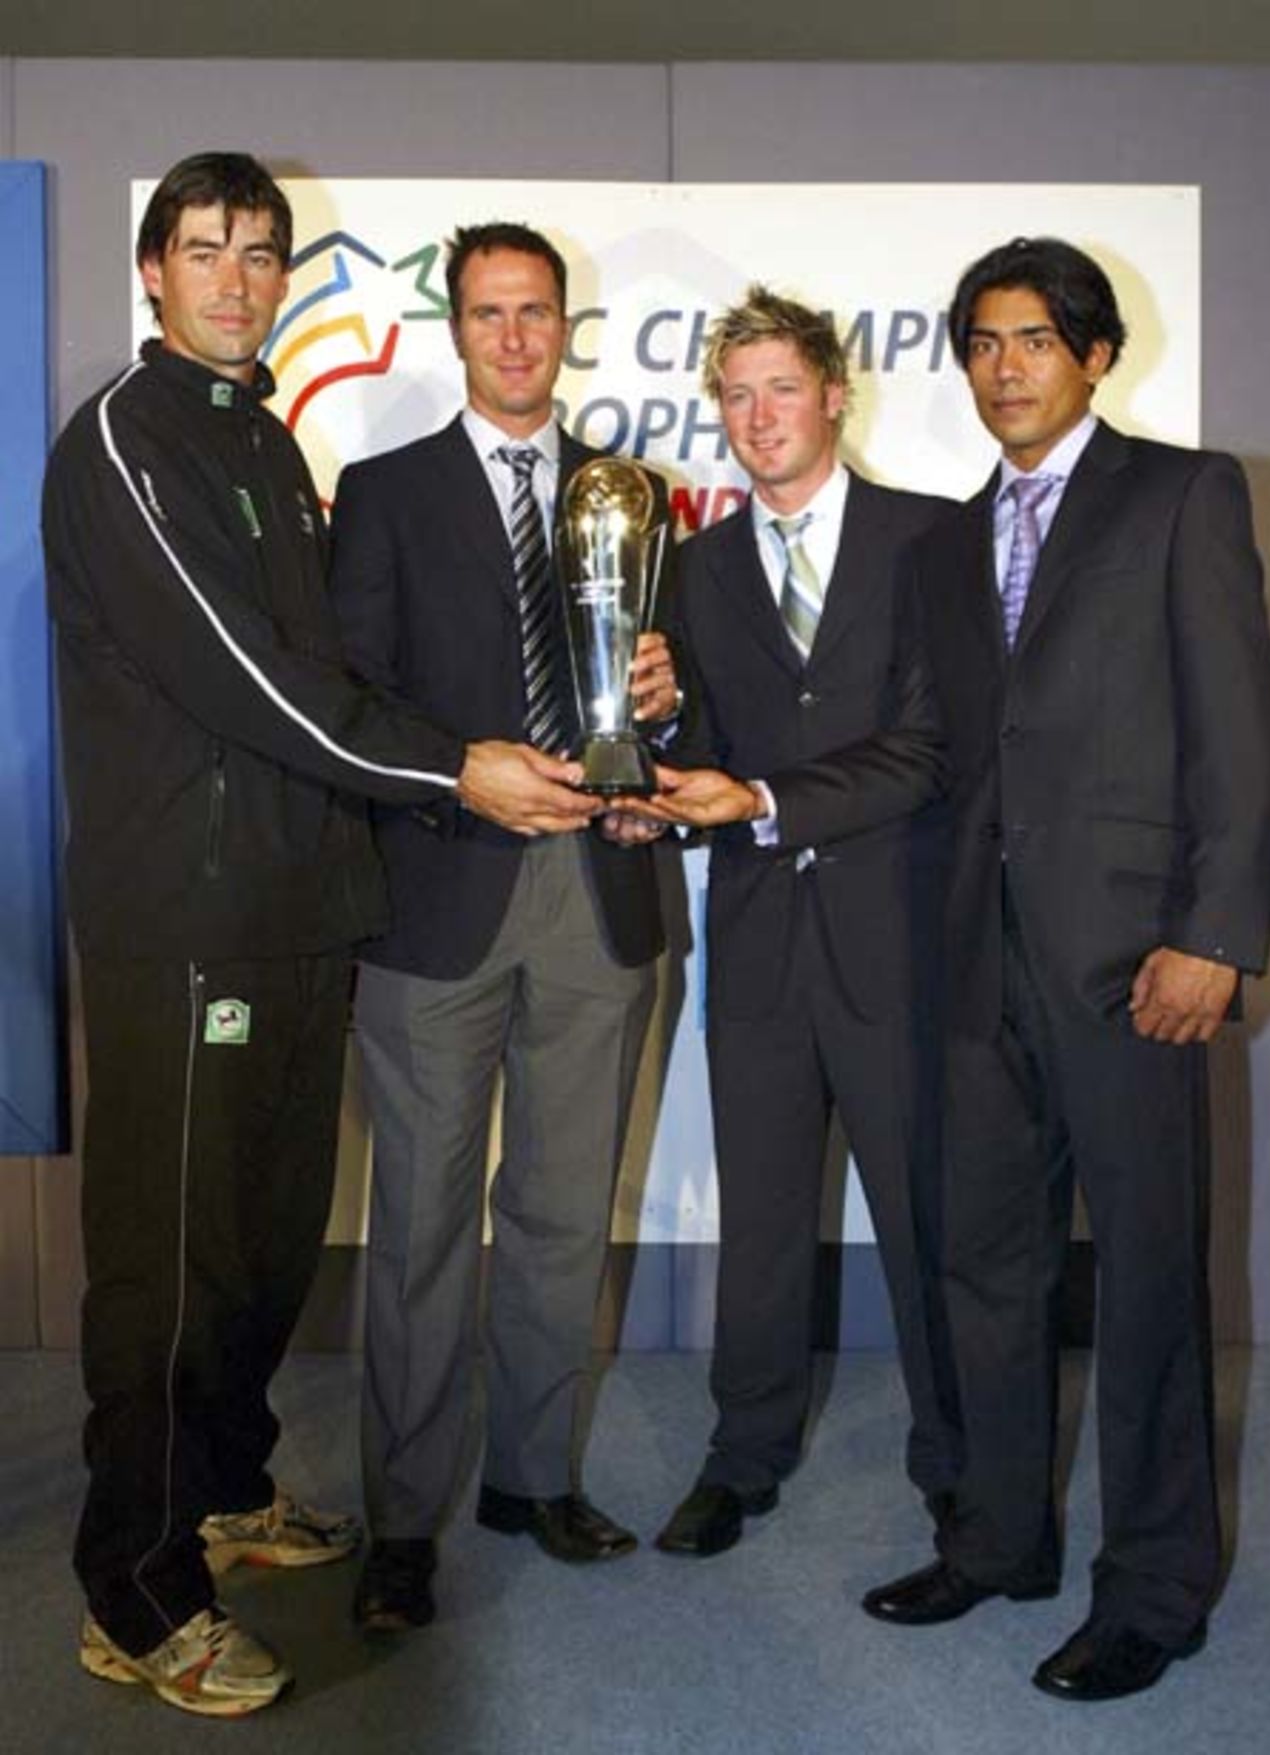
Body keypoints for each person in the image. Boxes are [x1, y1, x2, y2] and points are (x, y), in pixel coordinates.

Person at [43, 154, 601, 1718]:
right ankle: (137, 1589)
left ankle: (221, 1489)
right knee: (167, 1257)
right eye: (203, 249)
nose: (234, 278)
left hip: (302, 913)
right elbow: (250, 678)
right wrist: (455, 766)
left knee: (267, 1235)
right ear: (152, 270)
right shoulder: (125, 439)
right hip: (190, 921)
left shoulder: (263, 441)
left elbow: (341, 663)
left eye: (261, 253)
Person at [862, 237, 1270, 1702]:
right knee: (987, 1264)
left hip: (1140, 968)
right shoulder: (940, 546)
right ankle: (998, 1536)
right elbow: (934, 756)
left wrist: (1218, 934)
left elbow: (1240, 729)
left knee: (1154, 1280)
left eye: (1033, 340)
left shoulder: (1182, 495)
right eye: (980, 343)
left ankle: (1157, 1586)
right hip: (980, 967)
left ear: (1095, 355)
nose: (1003, 368)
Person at [327, 221, 678, 1633]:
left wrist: (663, 699)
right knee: (416, 1222)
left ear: (564, 324)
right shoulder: (385, 490)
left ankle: (530, 1476)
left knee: (556, 1208)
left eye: (537, 311)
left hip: (598, 890)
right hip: (440, 893)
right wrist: (466, 760)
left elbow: (673, 696)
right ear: (456, 330)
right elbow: (353, 696)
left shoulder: (629, 492)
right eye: (490, 313)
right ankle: (401, 1518)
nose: (516, 336)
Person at [618, 285, 962, 1560]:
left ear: (832, 395)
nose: (757, 416)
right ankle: (742, 1455)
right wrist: (656, 738)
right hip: (759, 944)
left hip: (900, 944)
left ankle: (957, 1458)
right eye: (735, 395)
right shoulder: (696, 565)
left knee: (925, 1218)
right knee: (758, 1221)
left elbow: (931, 747)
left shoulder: (933, 542)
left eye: (779, 389)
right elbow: (700, 754)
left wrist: (758, 797)